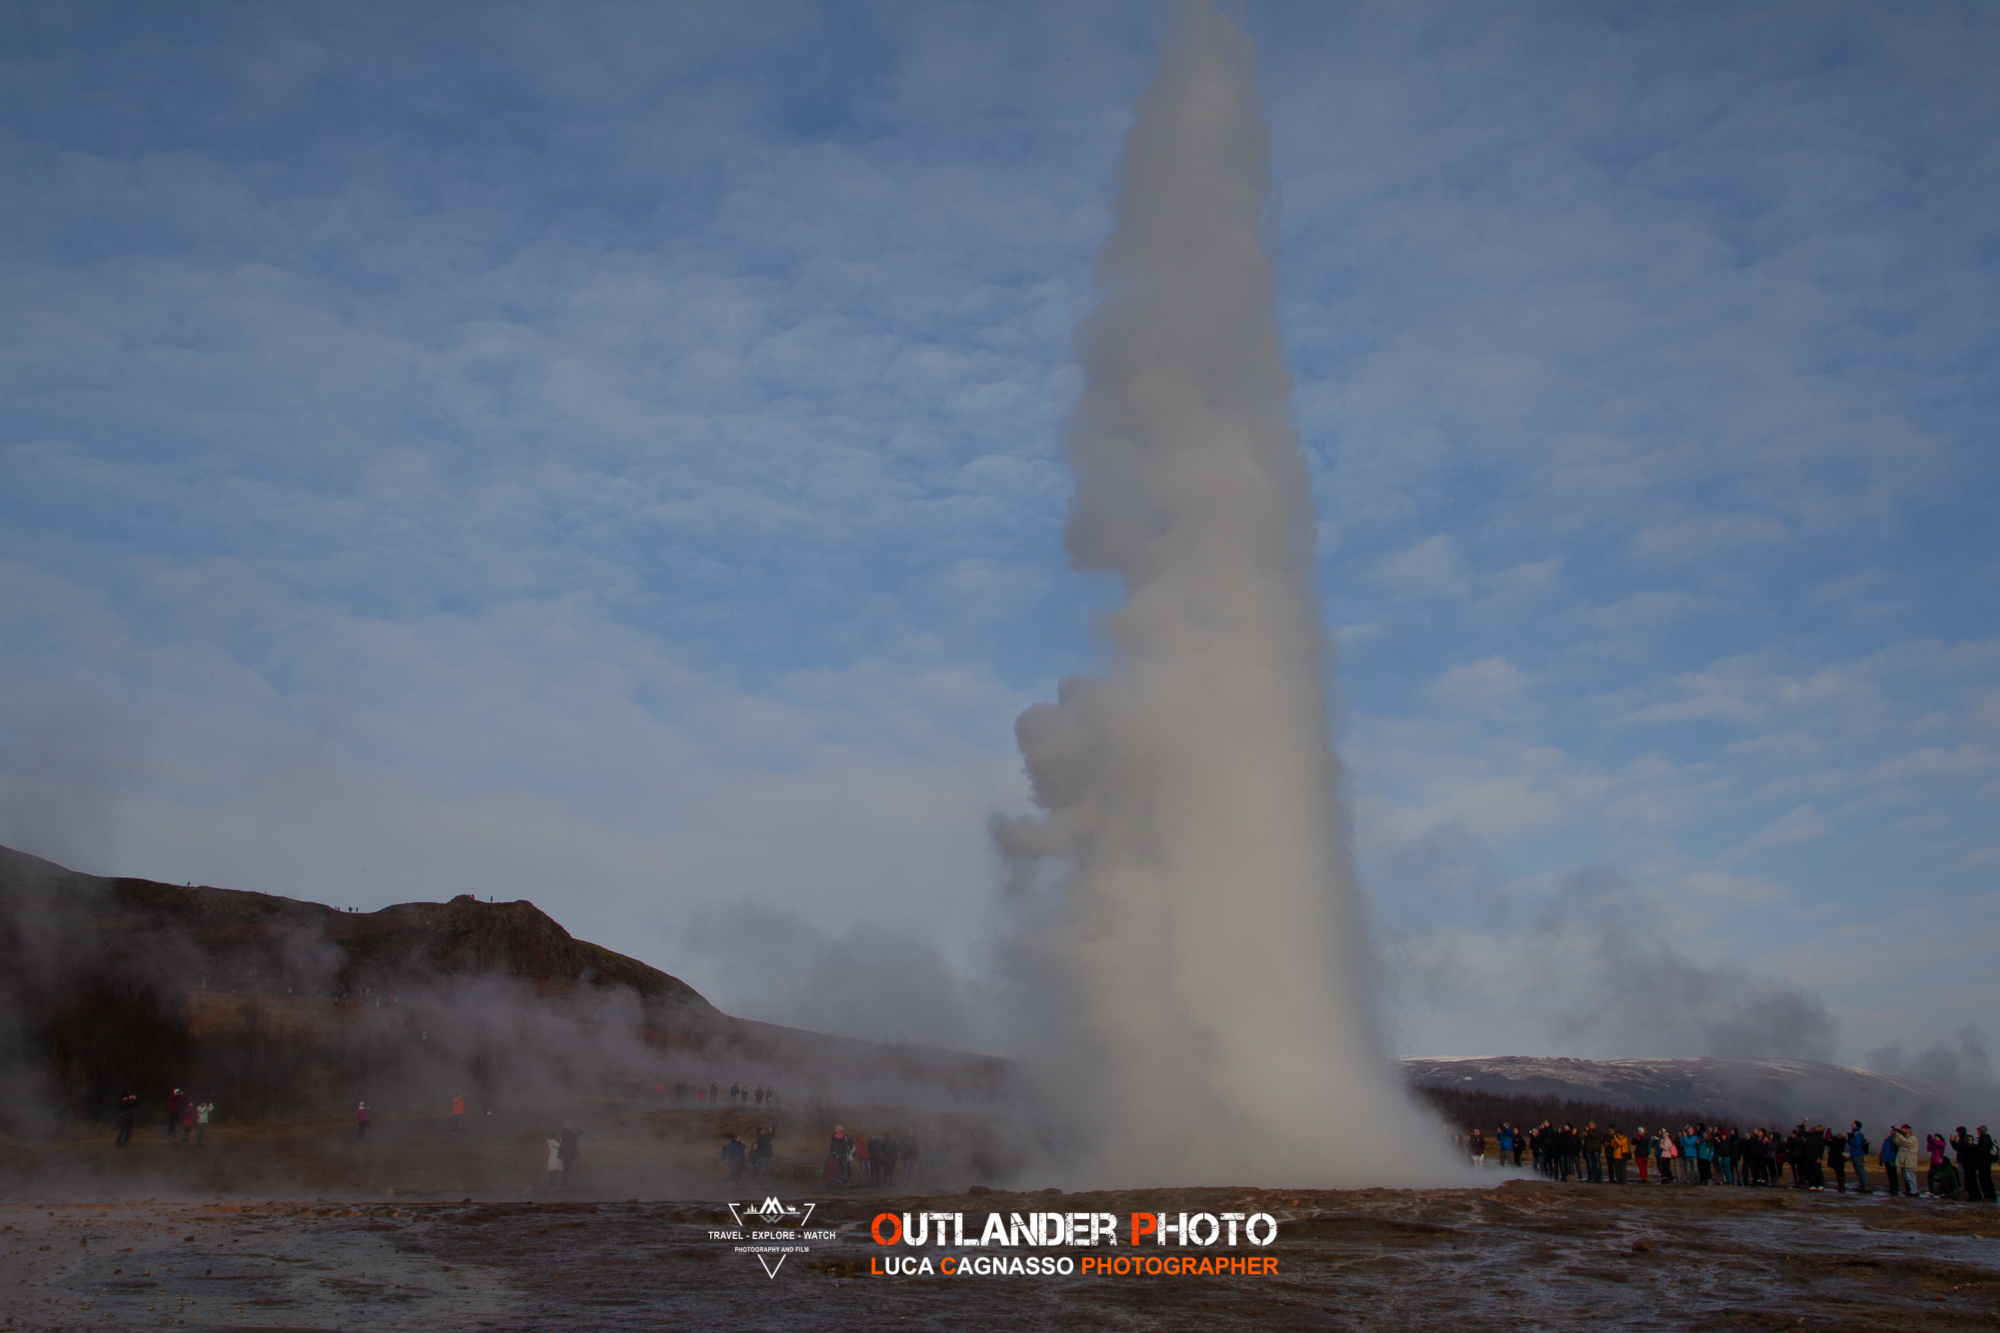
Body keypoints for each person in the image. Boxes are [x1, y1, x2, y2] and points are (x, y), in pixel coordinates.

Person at [1848, 1123, 1871, 1194]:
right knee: (1858, 1170)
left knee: (1860, 1170)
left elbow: (1857, 1144)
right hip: (1854, 1154)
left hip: (1858, 1154)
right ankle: (1862, 1185)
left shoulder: (1858, 1134)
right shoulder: (1855, 1134)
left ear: (1857, 1125)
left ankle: (1865, 1185)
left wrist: (1851, 1139)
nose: (1852, 1125)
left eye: (1853, 1124)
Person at [558, 1121, 580, 1188]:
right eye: (570, 1125)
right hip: (568, 1154)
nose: (571, 1126)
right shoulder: (566, 1133)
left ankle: (564, 1184)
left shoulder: (566, 1132)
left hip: (568, 1154)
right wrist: (580, 1132)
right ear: (566, 1126)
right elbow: (573, 1138)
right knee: (566, 1169)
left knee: (567, 1169)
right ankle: (563, 1184)